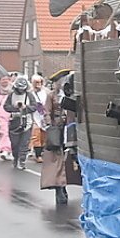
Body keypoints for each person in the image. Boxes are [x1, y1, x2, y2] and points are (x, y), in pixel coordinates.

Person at [40, 72, 80, 205]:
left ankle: (65, 185)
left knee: (69, 159)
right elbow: (46, 111)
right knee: (57, 160)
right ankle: (59, 188)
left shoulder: (72, 94)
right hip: (57, 131)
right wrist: (49, 125)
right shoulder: (52, 95)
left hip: (70, 129)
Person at [5, 76, 37, 170]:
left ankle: (22, 161)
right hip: (14, 122)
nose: (20, 91)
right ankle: (15, 158)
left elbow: (34, 107)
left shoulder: (30, 95)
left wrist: (25, 107)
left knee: (24, 143)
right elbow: (6, 107)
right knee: (14, 144)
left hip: (27, 122)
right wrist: (14, 108)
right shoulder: (11, 95)